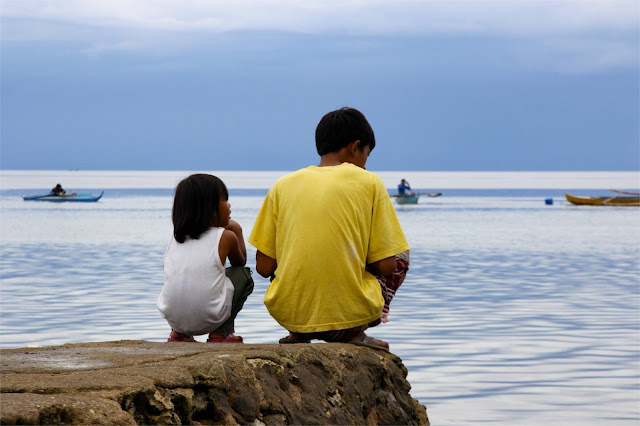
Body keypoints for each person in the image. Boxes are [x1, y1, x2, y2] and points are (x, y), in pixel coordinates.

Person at [249, 107, 410, 351]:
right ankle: (356, 332)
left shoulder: (282, 185)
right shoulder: (370, 182)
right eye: (366, 155)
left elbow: (263, 267)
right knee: (399, 253)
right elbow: (388, 266)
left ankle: (297, 333)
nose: (365, 165)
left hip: (291, 314)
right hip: (350, 317)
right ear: (355, 147)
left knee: (290, 260)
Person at [157, 174, 254, 343]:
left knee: (184, 278)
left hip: (172, 316)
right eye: (225, 201)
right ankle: (220, 333)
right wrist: (236, 230)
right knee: (243, 275)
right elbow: (240, 262)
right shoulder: (225, 236)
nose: (229, 205)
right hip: (209, 317)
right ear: (210, 209)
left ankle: (178, 334)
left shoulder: (176, 238)